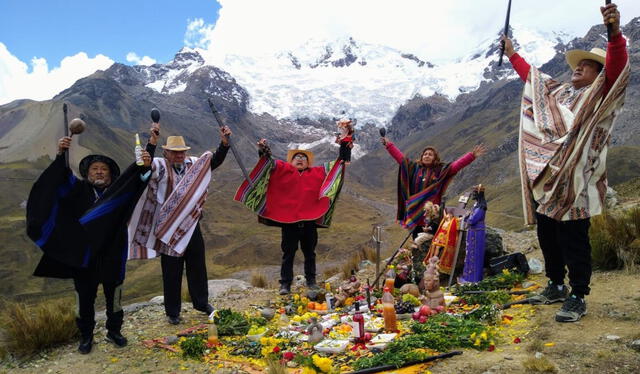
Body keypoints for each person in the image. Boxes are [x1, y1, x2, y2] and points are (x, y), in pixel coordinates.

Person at [502, 3, 629, 322]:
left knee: (574, 238)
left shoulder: (601, 96)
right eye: (578, 64)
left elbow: (617, 67)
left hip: (578, 185)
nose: (578, 68)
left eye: (587, 66)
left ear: (600, 76)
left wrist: (614, 33)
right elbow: (534, 84)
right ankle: (555, 284)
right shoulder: (562, 96)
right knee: (548, 236)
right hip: (550, 184)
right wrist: (512, 54)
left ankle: (577, 295)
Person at [26, 129, 156, 354]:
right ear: (87, 173)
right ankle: (86, 336)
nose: (99, 172)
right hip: (83, 256)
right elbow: (57, 181)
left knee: (113, 298)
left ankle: (114, 331)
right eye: (95, 169)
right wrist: (61, 154)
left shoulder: (119, 193)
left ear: (110, 175)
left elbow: (139, 177)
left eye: (103, 169)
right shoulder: (77, 189)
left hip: (113, 254)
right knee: (84, 299)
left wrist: (147, 156)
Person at [128, 127, 231, 325]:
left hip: (192, 225)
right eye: (174, 152)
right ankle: (173, 311)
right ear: (166, 152)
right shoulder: (159, 165)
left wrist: (224, 144)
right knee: (171, 270)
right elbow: (144, 168)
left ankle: (201, 303)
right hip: (168, 227)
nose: (179, 155)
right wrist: (151, 143)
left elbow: (213, 162)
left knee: (197, 266)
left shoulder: (193, 163)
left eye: (181, 151)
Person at [234, 140, 346, 295]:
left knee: (310, 253)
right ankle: (285, 284)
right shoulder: (282, 169)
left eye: (304, 158)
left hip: (309, 222)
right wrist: (263, 151)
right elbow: (269, 164)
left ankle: (311, 281)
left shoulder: (317, 172)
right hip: (289, 223)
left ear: (309, 163)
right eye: (297, 157)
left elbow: (337, 167)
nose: (300, 159)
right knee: (288, 254)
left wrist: (345, 145)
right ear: (291, 161)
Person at [381, 136, 486, 237]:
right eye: (425, 154)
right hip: (415, 211)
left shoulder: (440, 170)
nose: (427, 156)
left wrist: (471, 156)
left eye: (430, 154)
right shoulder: (414, 168)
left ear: (435, 158)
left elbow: (456, 166)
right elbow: (401, 159)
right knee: (416, 239)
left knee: (431, 239)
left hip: (432, 213)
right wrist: (389, 145)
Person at [458, 185, 487, 283]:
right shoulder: (476, 205)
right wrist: (466, 217)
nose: (473, 195)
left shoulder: (481, 206)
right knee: (470, 254)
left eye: (475, 193)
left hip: (477, 232)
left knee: (475, 254)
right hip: (472, 232)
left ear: (478, 194)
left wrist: (467, 216)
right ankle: (468, 277)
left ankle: (474, 278)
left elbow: (473, 219)